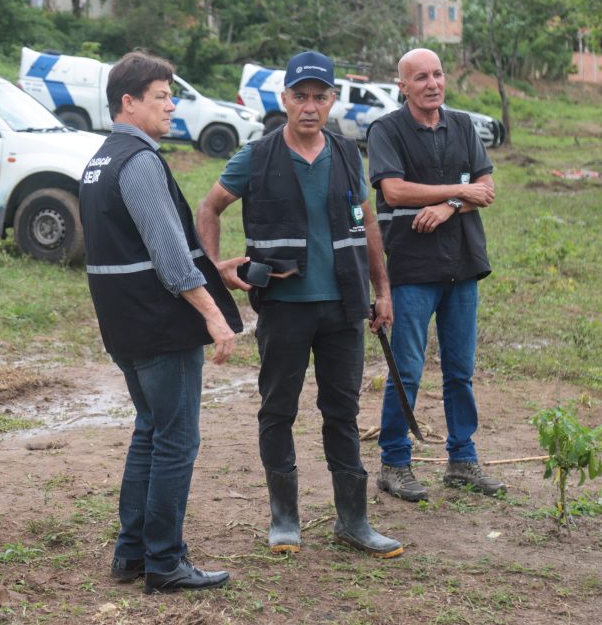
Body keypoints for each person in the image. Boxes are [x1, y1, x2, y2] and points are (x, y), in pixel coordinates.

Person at [197, 51, 402, 558]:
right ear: (284, 99)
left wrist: (382, 290)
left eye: (320, 97)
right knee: (278, 409)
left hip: (344, 307)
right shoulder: (256, 156)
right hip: (284, 306)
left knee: (343, 412)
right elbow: (209, 207)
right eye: (301, 96)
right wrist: (215, 268)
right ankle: (284, 519)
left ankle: (353, 522)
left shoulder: (347, 154)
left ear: (332, 101)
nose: (310, 106)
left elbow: (368, 225)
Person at [79, 51, 245, 594]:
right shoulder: (140, 161)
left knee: (151, 431)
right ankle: (165, 562)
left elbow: (133, 248)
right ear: (128, 103)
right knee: (177, 440)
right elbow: (170, 259)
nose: (172, 105)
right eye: (162, 97)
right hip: (158, 327)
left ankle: (132, 554)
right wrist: (215, 317)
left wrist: (215, 270)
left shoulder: (100, 159)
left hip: (123, 324)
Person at [367, 48, 505, 502]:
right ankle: (394, 462)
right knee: (406, 370)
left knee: (460, 370)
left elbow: (486, 190)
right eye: (421, 77)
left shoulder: (462, 125)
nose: (432, 84)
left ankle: (462, 459)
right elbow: (394, 190)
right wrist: (460, 191)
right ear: (402, 86)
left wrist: (449, 206)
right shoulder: (386, 130)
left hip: (463, 264)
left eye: (438, 74)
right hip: (413, 268)